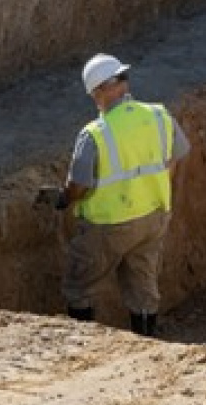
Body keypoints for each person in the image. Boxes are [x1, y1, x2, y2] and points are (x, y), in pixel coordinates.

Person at [56, 53, 189, 336]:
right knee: (143, 288)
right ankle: (147, 346)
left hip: (108, 223)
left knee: (79, 286)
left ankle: (83, 347)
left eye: (94, 93)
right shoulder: (158, 115)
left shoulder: (94, 134)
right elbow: (176, 155)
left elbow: (78, 184)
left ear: (101, 90)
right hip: (154, 215)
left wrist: (64, 199)